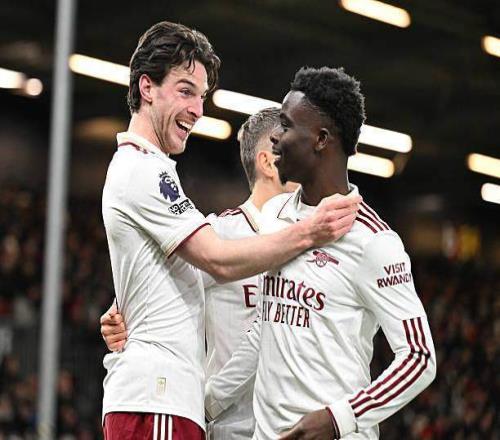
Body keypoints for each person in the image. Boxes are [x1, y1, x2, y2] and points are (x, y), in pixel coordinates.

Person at [101, 20, 360, 440]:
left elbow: (163, 276)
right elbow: (217, 260)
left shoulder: (151, 170)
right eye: (185, 91)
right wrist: (312, 233)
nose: (198, 110)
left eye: (201, 97)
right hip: (161, 398)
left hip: (176, 401)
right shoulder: (145, 171)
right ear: (147, 87)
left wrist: (123, 308)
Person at [205, 66, 437, 439]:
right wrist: (208, 403)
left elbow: (419, 357)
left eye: (285, 126)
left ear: (321, 139)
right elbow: (266, 326)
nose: (275, 137)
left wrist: (339, 418)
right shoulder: (275, 217)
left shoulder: (373, 241)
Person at [101, 107, 297, 439]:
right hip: (232, 428)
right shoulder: (218, 235)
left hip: (292, 426)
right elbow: (153, 289)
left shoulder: (312, 248)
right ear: (267, 162)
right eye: (298, 151)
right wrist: (118, 311)